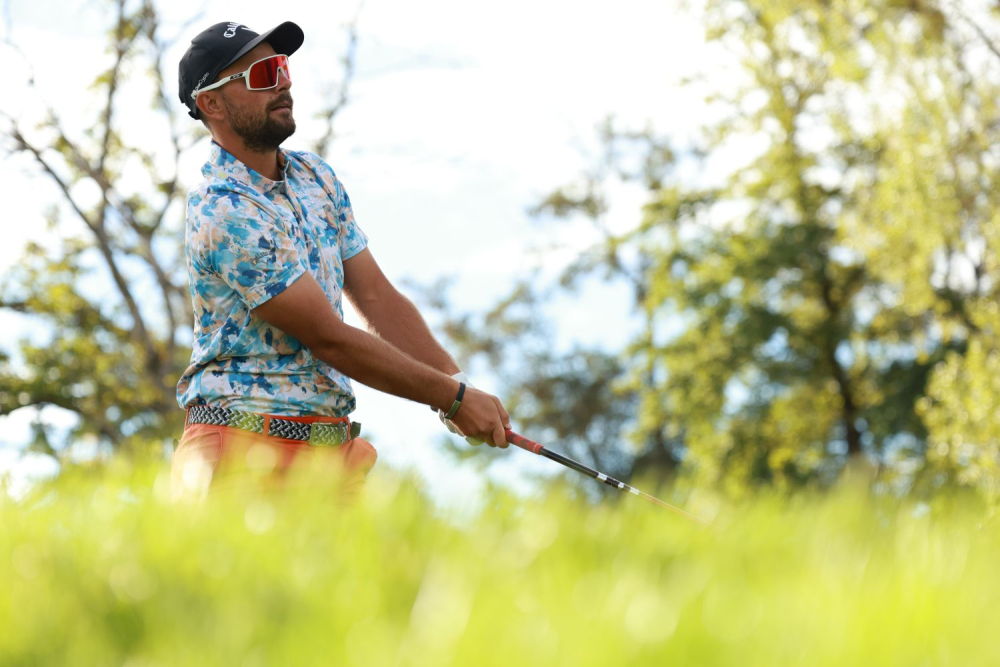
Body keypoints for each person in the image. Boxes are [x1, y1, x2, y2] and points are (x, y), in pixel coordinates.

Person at [172, 20, 511, 500]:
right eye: (263, 74)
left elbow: (374, 295)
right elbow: (328, 337)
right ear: (212, 103)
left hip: (328, 457)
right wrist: (452, 400)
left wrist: (457, 386)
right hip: (239, 454)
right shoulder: (222, 207)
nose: (284, 81)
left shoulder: (316, 177)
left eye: (283, 67)